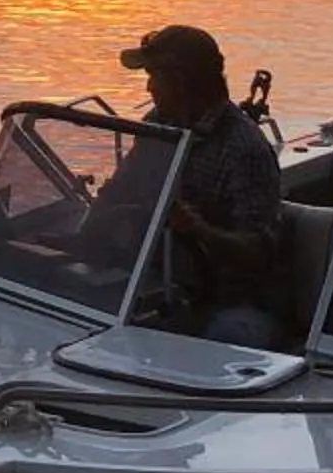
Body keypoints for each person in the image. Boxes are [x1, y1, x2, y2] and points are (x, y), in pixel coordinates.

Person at [89, 23, 284, 339]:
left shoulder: (244, 148)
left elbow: (260, 254)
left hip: (229, 301)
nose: (148, 88)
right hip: (156, 281)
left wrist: (198, 229)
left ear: (180, 81)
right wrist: (98, 218)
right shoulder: (157, 125)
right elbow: (119, 189)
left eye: (154, 76)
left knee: (230, 334)